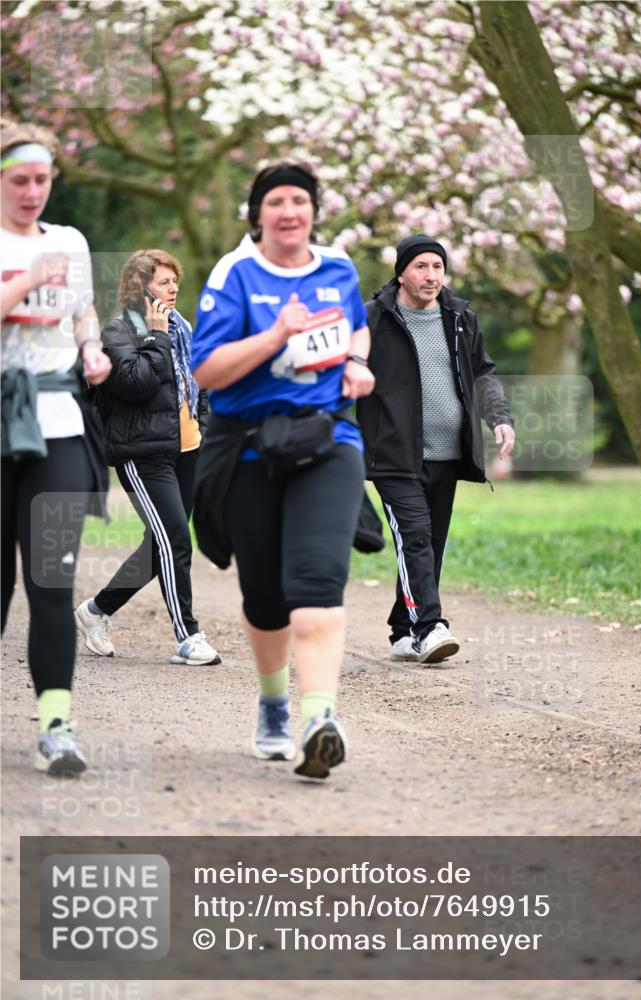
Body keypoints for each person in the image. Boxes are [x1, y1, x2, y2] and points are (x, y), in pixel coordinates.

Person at [191, 162, 375, 779]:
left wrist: (355, 363)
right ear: (258, 214)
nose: (290, 211)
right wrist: (274, 335)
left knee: (319, 583)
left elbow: (358, 329)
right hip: (248, 448)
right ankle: (274, 704)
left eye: (300, 200)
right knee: (265, 598)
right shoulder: (234, 273)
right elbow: (207, 371)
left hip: (328, 440)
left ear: (314, 210)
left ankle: (320, 718)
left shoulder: (338, 268)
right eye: (277, 202)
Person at [1, 118, 111, 775]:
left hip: (57, 425)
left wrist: (92, 347)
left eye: (43, 179)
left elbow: (82, 310)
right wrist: (24, 278)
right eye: (20, 180)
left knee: (51, 579)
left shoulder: (69, 240)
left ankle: (56, 725)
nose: (33, 191)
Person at [357, 234, 515, 664]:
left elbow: (482, 374)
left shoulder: (460, 317)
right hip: (393, 454)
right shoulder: (372, 319)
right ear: (401, 273)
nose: (431, 276)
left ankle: (401, 629)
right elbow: (346, 377)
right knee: (415, 536)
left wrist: (499, 418)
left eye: (438, 267)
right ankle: (430, 627)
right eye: (421, 266)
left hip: (447, 453)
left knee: (431, 542)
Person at [74, 249, 221, 667]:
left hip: (187, 449)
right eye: (163, 282)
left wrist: (202, 425)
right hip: (141, 454)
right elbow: (135, 383)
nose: (173, 288)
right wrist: (155, 336)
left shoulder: (185, 328)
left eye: (175, 280)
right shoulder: (118, 332)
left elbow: (201, 380)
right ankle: (188, 636)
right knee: (175, 539)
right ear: (140, 288)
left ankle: (96, 610)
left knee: (160, 548)